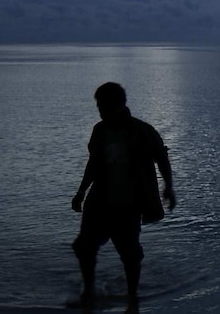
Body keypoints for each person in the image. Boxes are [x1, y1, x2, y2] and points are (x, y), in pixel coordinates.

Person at [71, 82, 175, 305]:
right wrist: (81, 191)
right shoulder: (99, 131)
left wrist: (169, 187)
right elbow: (94, 163)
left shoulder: (142, 131)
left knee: (130, 253)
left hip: (128, 204)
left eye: (104, 106)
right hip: (98, 201)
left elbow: (161, 158)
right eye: (99, 106)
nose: (100, 110)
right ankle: (89, 290)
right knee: (84, 246)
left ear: (118, 105)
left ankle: (132, 296)